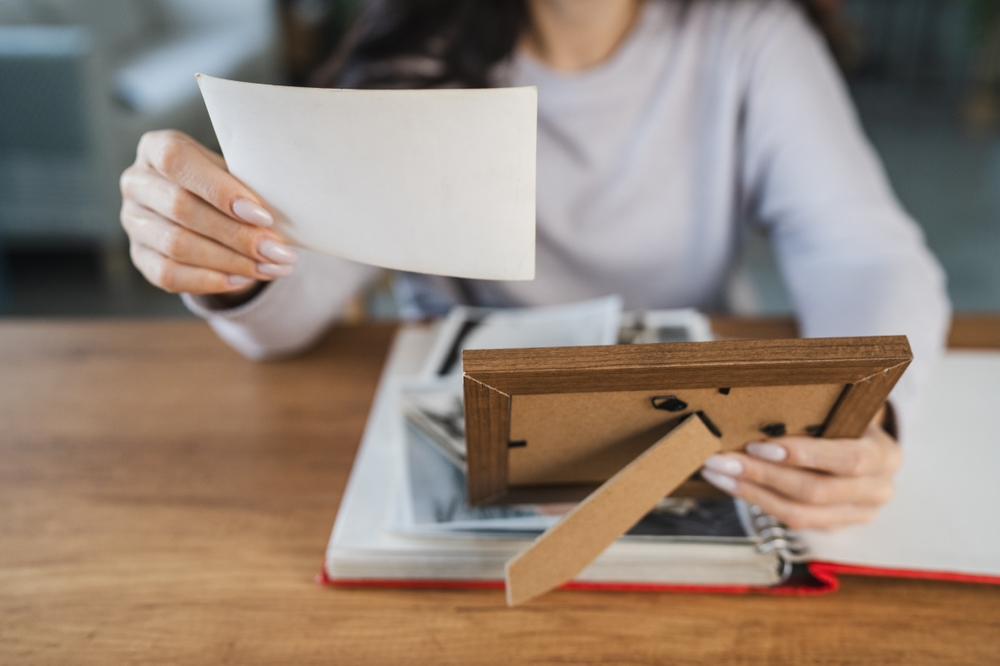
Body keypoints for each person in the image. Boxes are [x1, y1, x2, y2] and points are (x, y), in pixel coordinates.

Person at [118, 0, 950, 530]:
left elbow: (861, 245)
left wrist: (865, 410)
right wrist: (220, 251)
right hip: (458, 425)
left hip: (699, 433)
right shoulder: (418, 52)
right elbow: (290, 310)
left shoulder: (750, 37)